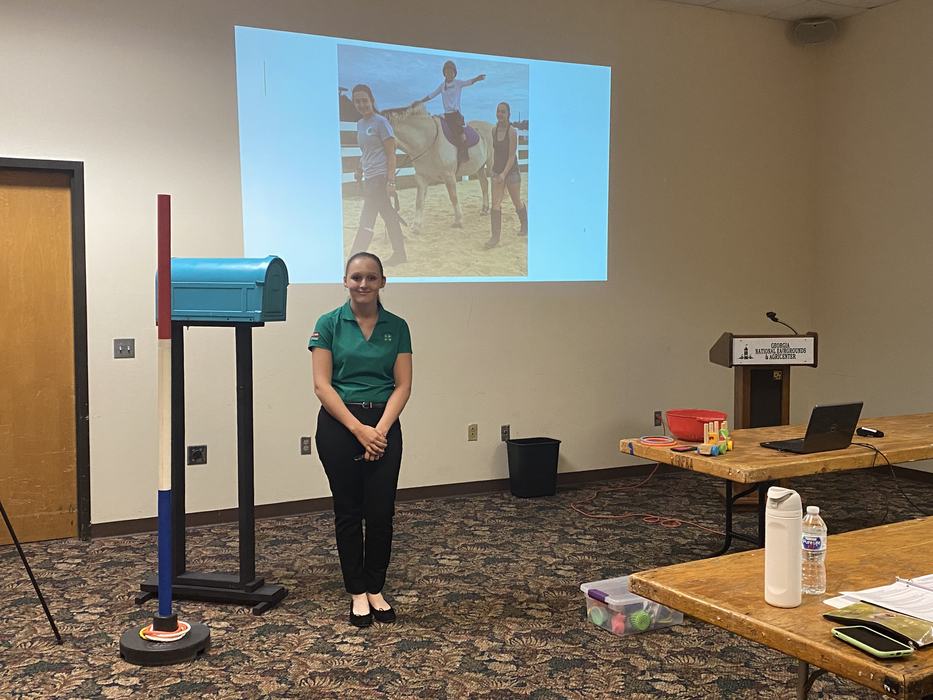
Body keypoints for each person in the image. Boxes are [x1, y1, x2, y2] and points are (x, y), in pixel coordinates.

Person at [309, 252, 413, 627]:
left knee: (381, 512)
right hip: (341, 425)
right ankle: (356, 591)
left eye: (371, 277)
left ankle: (375, 587)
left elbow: (403, 385)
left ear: (382, 281)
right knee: (349, 511)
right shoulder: (329, 323)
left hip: (384, 424)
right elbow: (322, 386)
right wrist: (359, 430)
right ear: (345, 281)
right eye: (356, 278)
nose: (363, 284)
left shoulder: (397, 326)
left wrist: (380, 431)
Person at [350, 84, 407, 267]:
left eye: (365, 100)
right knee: (388, 215)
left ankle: (354, 257)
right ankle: (400, 254)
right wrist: (359, 168)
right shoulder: (360, 125)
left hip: (380, 178)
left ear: (372, 101)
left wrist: (391, 181)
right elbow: (365, 151)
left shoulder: (381, 122)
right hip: (369, 177)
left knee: (367, 217)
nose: (362, 104)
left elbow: (391, 154)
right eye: (358, 101)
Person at [414, 60, 485, 165]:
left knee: (461, 135)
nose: (449, 73)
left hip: (456, 115)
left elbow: (468, 82)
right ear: (444, 73)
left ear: (454, 73)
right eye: (447, 71)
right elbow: (432, 95)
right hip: (446, 115)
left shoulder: (458, 83)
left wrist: (477, 79)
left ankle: (464, 156)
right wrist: (420, 101)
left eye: (451, 71)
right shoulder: (442, 86)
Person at [485, 102, 527, 249]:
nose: (500, 114)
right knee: (495, 204)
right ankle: (495, 238)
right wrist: (492, 169)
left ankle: (524, 225)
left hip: (511, 172)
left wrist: (504, 174)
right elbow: (495, 153)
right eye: (498, 111)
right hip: (497, 172)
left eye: (503, 112)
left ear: (509, 114)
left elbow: (511, 156)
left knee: (517, 202)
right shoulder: (493, 130)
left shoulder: (512, 132)